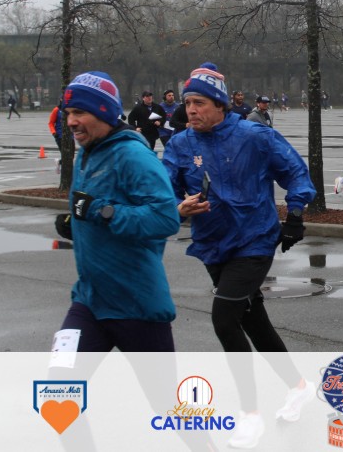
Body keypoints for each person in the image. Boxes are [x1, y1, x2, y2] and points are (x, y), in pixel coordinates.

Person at [163, 62, 316, 446]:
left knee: (225, 319)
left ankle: (251, 414)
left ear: (220, 104)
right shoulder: (180, 144)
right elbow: (164, 190)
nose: (191, 110)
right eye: (187, 103)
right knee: (253, 320)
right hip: (213, 244)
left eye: (199, 103)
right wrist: (179, 206)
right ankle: (299, 386)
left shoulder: (254, 135)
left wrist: (295, 215)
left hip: (254, 240)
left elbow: (296, 173)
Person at [53, 70, 180, 352]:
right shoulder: (88, 152)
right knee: (60, 379)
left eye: (79, 112)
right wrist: (74, 224)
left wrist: (101, 212)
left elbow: (165, 218)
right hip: (89, 300)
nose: (70, 121)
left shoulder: (134, 156)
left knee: (160, 385)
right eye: (68, 112)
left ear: (103, 112)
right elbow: (90, 207)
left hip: (135, 305)